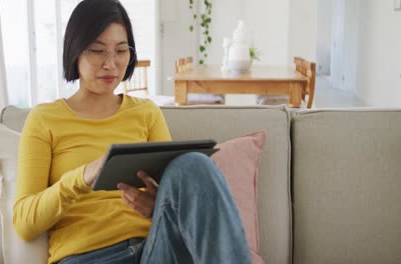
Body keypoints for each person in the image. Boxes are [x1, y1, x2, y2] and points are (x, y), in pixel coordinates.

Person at [14, 0, 252, 263]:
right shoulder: (44, 119)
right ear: (75, 51)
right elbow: (25, 222)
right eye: (97, 50)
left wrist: (155, 205)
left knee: (193, 163)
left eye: (121, 50)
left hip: (156, 251)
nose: (111, 64)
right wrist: (82, 176)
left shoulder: (147, 113)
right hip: (88, 258)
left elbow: (169, 192)